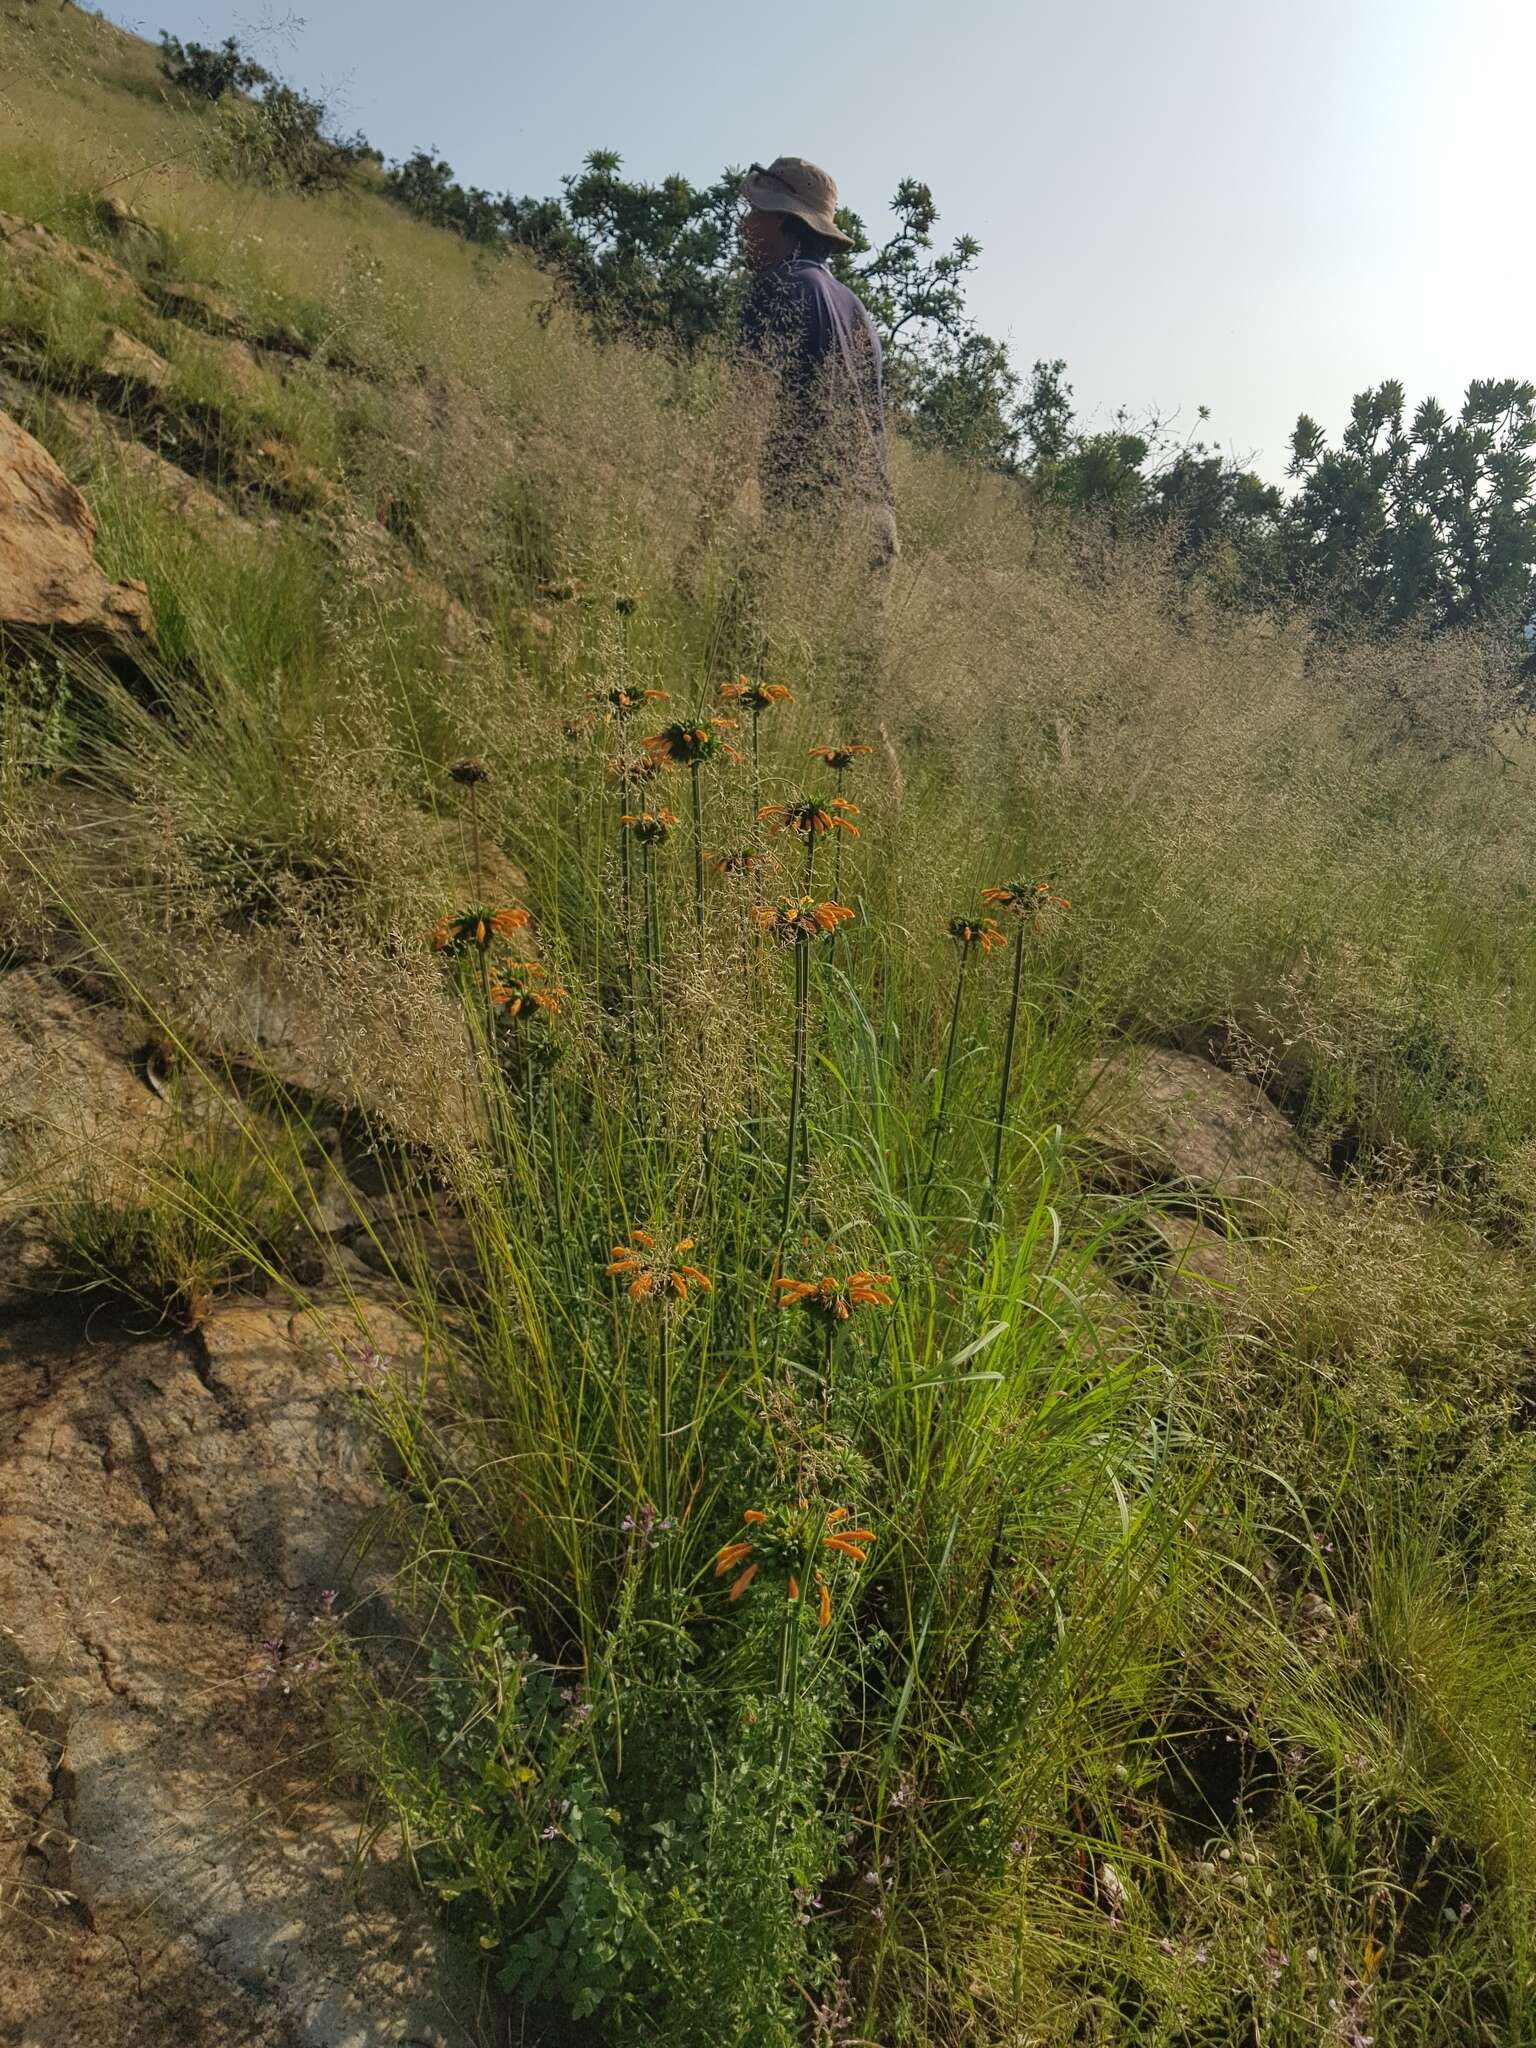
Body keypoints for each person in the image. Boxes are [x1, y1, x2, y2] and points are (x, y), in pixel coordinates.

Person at [733, 157, 899, 699]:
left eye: (753, 212)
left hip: (809, 528)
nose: (743, 225)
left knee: (742, 684)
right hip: (876, 528)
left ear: (783, 223)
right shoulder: (858, 309)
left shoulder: (774, 292)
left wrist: (696, 538)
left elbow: (744, 426)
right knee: (847, 706)